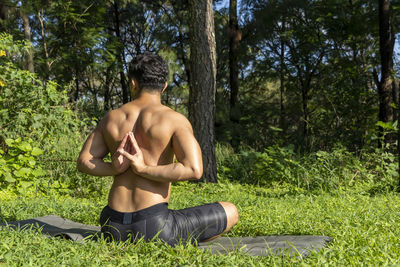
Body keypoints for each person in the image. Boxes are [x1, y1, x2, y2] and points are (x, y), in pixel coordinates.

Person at [77, 52, 238, 246]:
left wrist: (115, 168)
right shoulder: (173, 119)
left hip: (112, 226)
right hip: (154, 227)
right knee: (230, 210)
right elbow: (194, 169)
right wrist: (143, 169)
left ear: (133, 83)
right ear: (164, 86)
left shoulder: (111, 118)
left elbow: (84, 161)